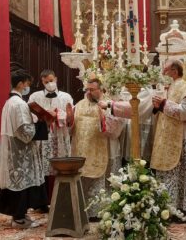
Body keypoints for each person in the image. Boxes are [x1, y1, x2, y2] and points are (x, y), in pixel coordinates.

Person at [150, 59, 186, 222]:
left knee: (183, 173)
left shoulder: (184, 87)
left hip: (181, 138)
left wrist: (164, 104)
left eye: (165, 70)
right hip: (168, 137)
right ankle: (170, 208)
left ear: (174, 70)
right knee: (171, 174)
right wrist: (159, 105)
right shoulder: (171, 86)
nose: (163, 73)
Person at [0, 69, 49, 229]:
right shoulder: (19, 104)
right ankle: (19, 218)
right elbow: (25, 132)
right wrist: (41, 122)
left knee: (17, 183)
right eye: (27, 84)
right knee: (21, 183)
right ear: (20, 84)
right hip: (20, 152)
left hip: (15, 151)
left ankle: (20, 215)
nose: (28, 87)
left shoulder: (9, 102)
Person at [69, 78, 125, 219]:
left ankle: (103, 211)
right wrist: (69, 120)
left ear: (101, 89)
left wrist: (104, 119)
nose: (88, 92)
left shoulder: (110, 104)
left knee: (105, 182)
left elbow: (117, 127)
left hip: (105, 148)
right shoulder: (80, 105)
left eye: (92, 89)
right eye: (87, 89)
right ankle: (84, 211)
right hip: (83, 151)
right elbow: (71, 127)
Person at [28, 69, 73, 203]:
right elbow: (29, 114)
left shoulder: (66, 97)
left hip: (60, 135)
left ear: (56, 79)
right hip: (43, 136)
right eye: (46, 82)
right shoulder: (35, 96)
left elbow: (71, 116)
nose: (49, 84)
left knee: (60, 163)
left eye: (51, 81)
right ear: (42, 81)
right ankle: (43, 200)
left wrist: (58, 114)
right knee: (43, 165)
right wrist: (43, 115)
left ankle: (62, 197)